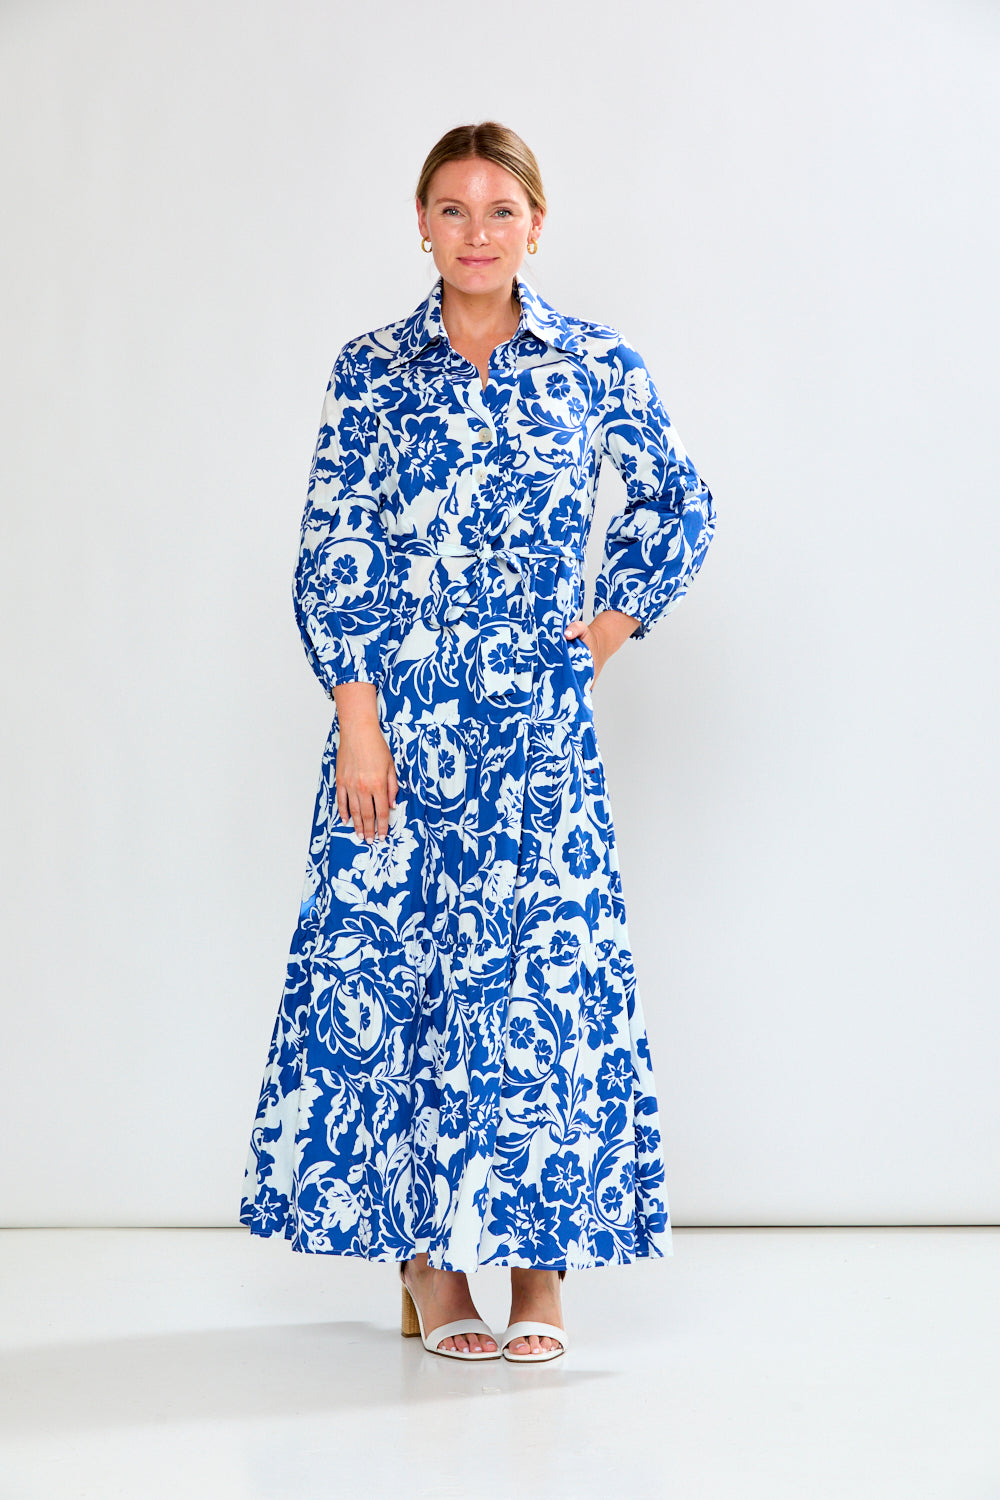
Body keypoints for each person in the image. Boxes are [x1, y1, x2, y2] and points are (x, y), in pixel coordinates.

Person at [240, 120, 716, 1364]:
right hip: (401, 724)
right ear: (421, 224)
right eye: (452, 209)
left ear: (535, 225)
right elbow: (335, 543)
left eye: (499, 210)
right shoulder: (370, 369)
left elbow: (679, 503)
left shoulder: (593, 364)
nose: (476, 232)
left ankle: (541, 1277)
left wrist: (599, 634)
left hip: (536, 734)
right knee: (408, 989)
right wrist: (355, 720)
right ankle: (429, 1267)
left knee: (538, 993)